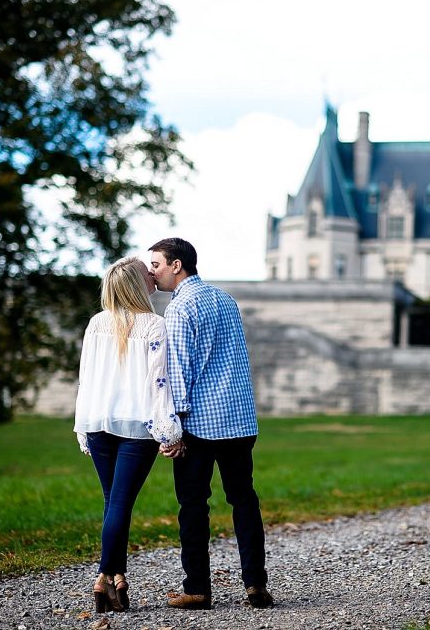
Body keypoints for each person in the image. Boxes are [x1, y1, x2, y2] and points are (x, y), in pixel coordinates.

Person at [148, 237, 274, 610]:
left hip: (200, 425)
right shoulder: (225, 299)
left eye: (156, 263)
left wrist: (174, 429)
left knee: (193, 506)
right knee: (244, 501)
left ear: (176, 265)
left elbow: (180, 372)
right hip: (239, 421)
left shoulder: (180, 308)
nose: (152, 271)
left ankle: (198, 589)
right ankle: (255, 584)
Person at [73, 256, 185, 614]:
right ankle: (103, 577)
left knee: (113, 502)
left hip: (99, 422)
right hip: (137, 428)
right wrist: (168, 431)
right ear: (138, 285)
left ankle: (118, 577)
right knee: (120, 503)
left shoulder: (96, 323)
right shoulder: (153, 325)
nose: (153, 274)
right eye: (146, 272)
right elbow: (159, 384)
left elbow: (85, 378)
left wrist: (82, 426)